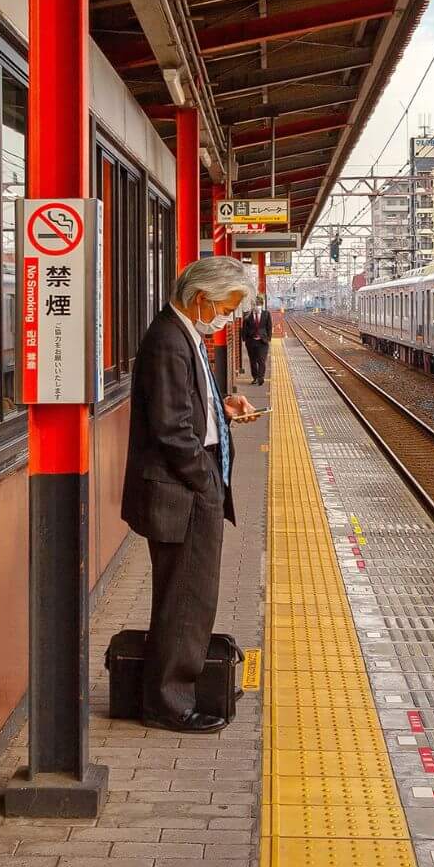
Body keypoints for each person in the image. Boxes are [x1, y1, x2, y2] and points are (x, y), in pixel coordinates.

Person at [120, 256, 261, 735]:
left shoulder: (184, 335)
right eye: (225, 307)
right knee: (186, 599)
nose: (226, 317)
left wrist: (221, 407)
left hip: (191, 490)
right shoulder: (168, 341)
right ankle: (169, 702)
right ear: (202, 298)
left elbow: (185, 405)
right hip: (183, 494)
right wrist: (204, 481)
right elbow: (171, 427)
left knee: (190, 597)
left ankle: (178, 687)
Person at [239, 305, 271, 387]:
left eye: (258, 305)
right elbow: (244, 328)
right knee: (253, 361)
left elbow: (269, 327)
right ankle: (255, 377)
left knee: (261, 360)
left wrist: (268, 338)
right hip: (251, 341)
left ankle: (261, 377)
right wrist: (245, 339)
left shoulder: (266, 314)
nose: (257, 307)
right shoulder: (248, 315)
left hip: (262, 342)